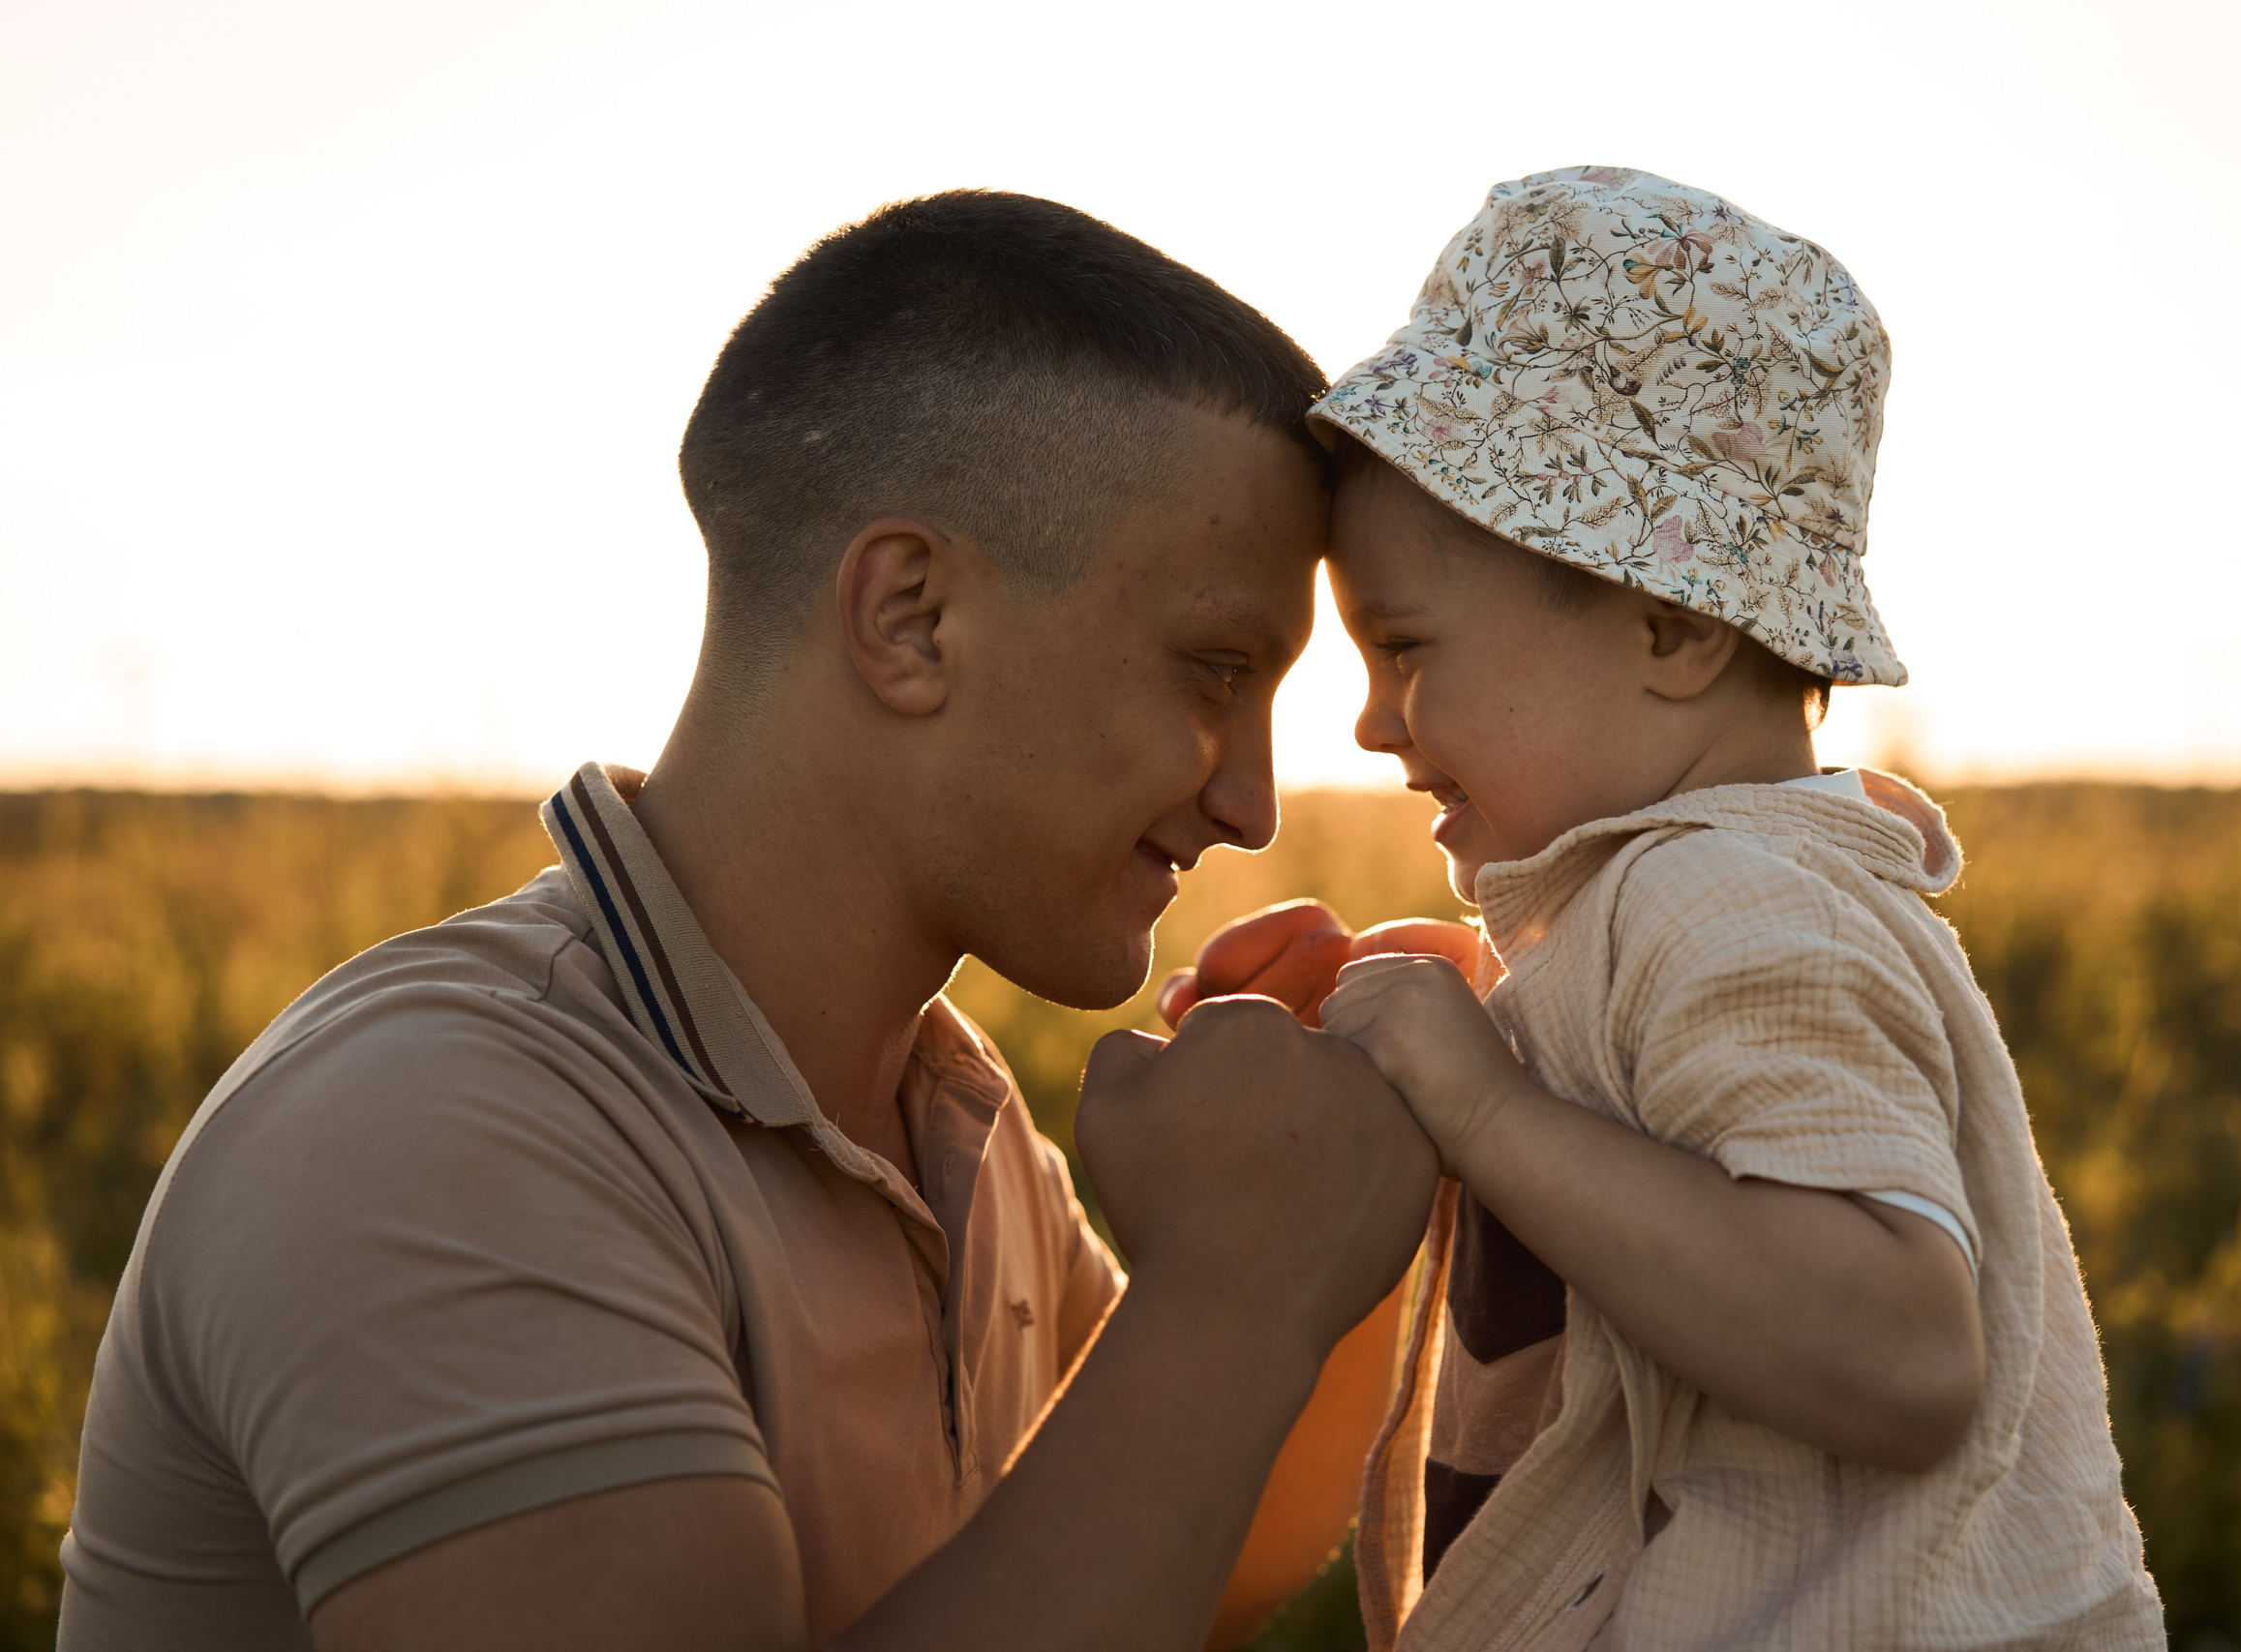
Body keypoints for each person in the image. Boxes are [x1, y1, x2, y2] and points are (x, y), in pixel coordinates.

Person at [56, 191, 1442, 1652]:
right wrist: (1229, 1286)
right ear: (910, 617)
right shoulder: (438, 1127)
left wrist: (1339, 1176)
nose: (1252, 805)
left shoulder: (941, 1119)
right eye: (1215, 670)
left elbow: (1173, 1553)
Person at [1180, 167, 2166, 1649]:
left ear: (1675, 628)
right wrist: (1478, 1030)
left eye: (1406, 648)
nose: (1372, 723)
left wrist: (1485, 1106)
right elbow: (1676, 1152)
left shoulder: (1726, 901)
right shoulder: (1690, 902)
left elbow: (1903, 1354)